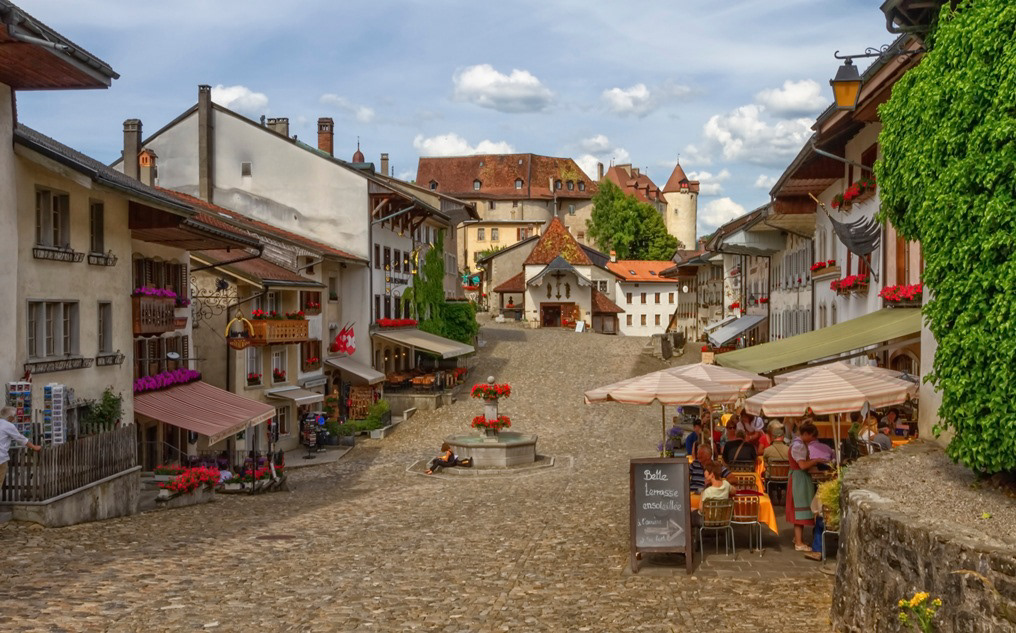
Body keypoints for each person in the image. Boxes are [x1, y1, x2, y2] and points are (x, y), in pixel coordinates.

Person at [786, 421, 827, 552]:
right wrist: (816, 460)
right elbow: (803, 465)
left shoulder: (799, 444)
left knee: (801, 509)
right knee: (800, 510)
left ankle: (798, 538)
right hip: (799, 479)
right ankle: (798, 542)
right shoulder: (798, 446)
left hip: (799, 477)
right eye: (812, 436)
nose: (813, 440)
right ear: (806, 434)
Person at [0, 406, 42, 488]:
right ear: (10, 416)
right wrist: (34, 447)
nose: (15, 418)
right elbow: (21, 439)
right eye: (14, 416)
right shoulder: (8, 425)